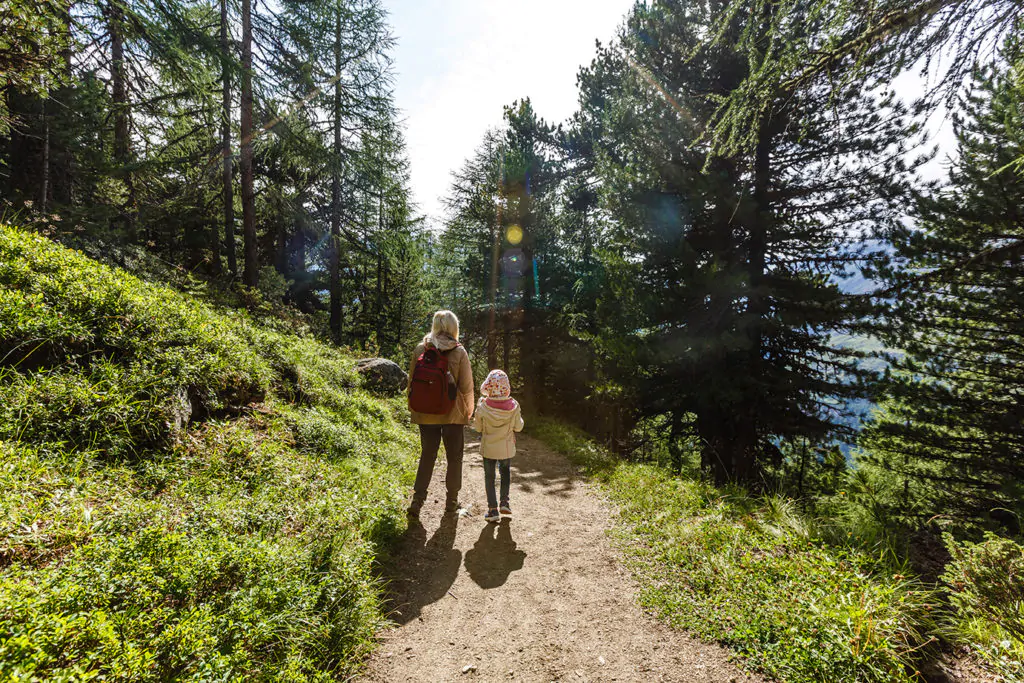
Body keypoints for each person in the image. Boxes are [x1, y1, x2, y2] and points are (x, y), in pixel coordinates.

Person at [406, 310, 474, 518]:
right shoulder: (459, 351)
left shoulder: (421, 348)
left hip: (425, 413)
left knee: (427, 455)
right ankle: (451, 503)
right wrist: (469, 412)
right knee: (454, 457)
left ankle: (417, 501)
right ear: (454, 327)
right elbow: (467, 387)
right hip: (452, 414)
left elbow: (411, 382)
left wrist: (413, 408)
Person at [471, 369, 524, 523]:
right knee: (505, 472)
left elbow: (478, 428)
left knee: (489, 477)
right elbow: (519, 427)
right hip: (506, 447)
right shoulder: (514, 406)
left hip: (488, 448)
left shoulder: (482, 405)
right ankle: (504, 502)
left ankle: (492, 510)